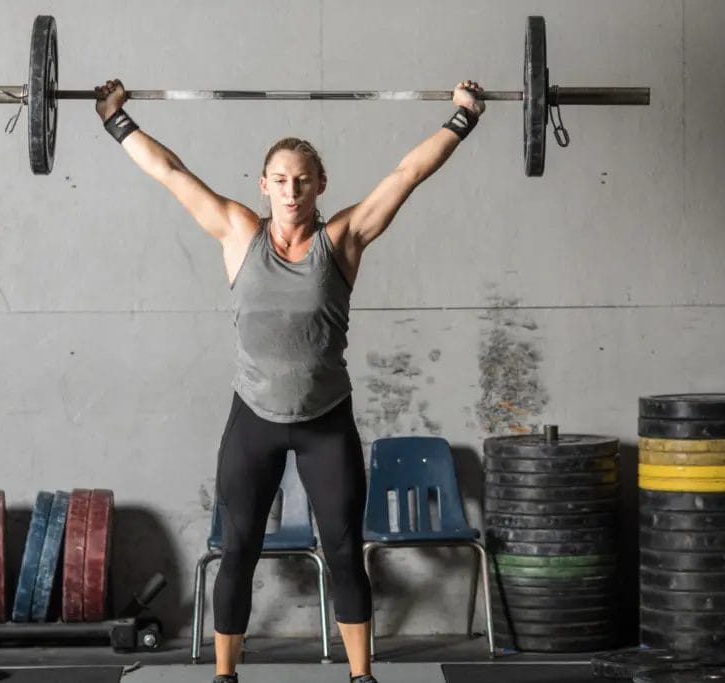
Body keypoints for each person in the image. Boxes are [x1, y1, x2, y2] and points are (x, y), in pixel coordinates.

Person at [95, 78, 485, 683]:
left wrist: (461, 119)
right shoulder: (236, 232)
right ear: (264, 185)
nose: (291, 189)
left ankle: (362, 677)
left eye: (303, 179)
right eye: (280, 179)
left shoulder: (343, 240)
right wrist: (115, 120)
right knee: (239, 552)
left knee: (343, 553)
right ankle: (225, 677)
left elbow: (408, 174)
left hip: (326, 423)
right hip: (253, 421)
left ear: (320, 185)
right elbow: (171, 173)